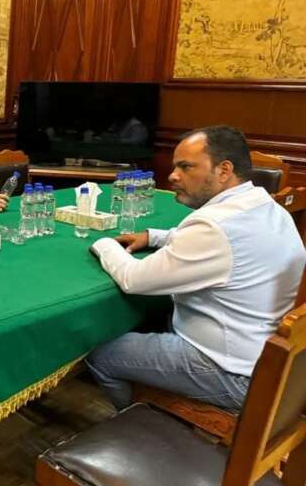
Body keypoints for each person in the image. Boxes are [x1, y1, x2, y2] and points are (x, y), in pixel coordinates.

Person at [87, 126, 306, 411]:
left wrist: (103, 242)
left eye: (185, 166)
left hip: (230, 372)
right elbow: (222, 244)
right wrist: (154, 237)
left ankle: (143, 422)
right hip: (267, 358)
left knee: (101, 355)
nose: (172, 175)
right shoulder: (266, 205)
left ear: (224, 170)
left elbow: (134, 279)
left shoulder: (214, 226)